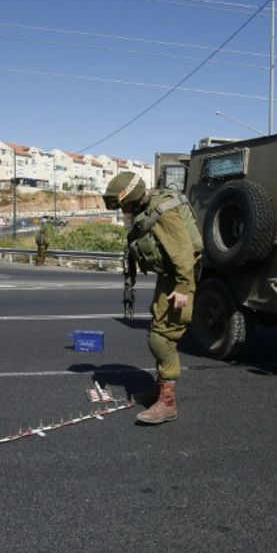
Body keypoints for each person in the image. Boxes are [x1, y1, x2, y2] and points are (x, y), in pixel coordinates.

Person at [102, 172, 201, 425]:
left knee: (162, 338)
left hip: (181, 279)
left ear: (132, 197)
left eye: (123, 204)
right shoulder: (150, 207)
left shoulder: (162, 212)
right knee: (158, 329)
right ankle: (160, 391)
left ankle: (167, 402)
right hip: (171, 277)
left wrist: (181, 287)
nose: (123, 210)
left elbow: (183, 254)